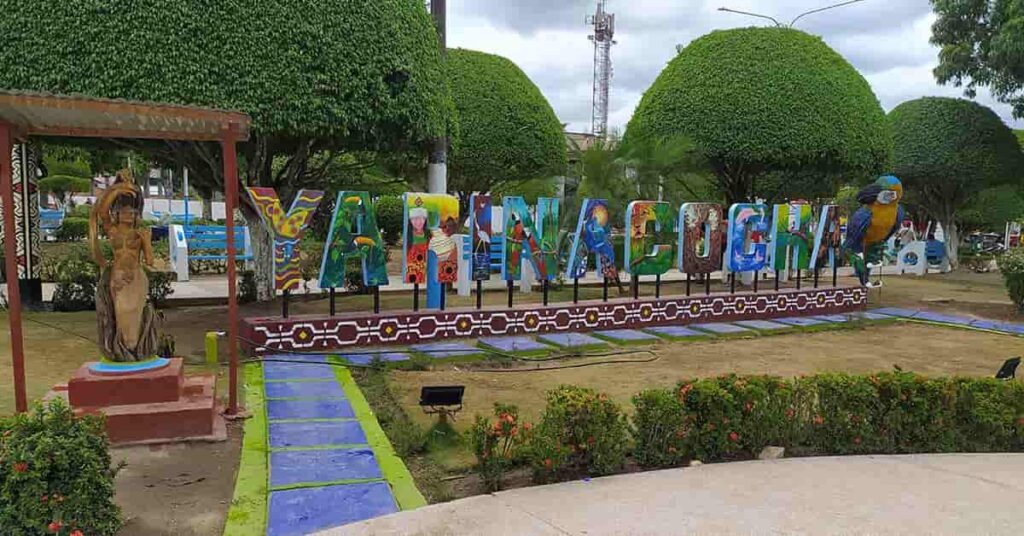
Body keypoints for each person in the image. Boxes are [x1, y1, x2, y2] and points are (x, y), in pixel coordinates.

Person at [89, 169, 158, 361]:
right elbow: (101, 211)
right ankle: (123, 351)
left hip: (136, 276)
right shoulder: (111, 230)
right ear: (117, 214)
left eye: (132, 212)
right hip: (118, 277)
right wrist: (118, 189)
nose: (128, 215)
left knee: (135, 314)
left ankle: (136, 351)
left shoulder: (140, 233)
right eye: (124, 212)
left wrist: (147, 242)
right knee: (121, 313)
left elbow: (150, 261)